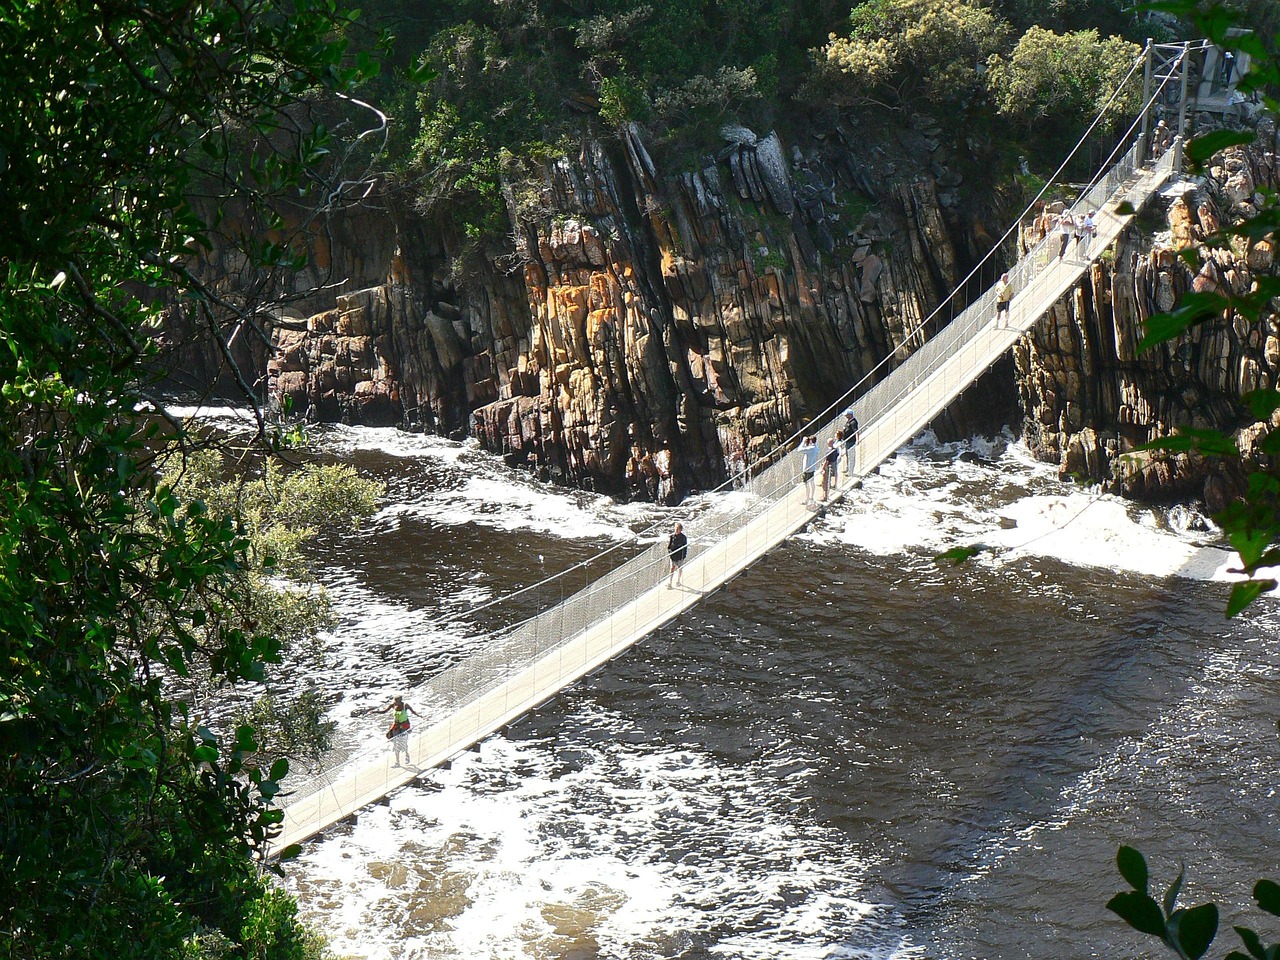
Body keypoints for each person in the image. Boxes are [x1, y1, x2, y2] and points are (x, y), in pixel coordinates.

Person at [376, 695, 420, 767]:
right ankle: (397, 762)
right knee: (395, 744)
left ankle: (406, 755)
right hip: (396, 726)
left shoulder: (405, 705)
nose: (395, 702)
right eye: (394, 701)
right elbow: (384, 711)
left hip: (404, 726)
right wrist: (374, 712)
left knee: (403, 742)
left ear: (400, 701)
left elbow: (413, 712)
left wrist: (420, 716)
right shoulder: (393, 705)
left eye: (396, 701)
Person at [666, 522, 688, 588]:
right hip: (673, 556)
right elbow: (669, 546)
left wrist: (684, 556)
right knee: (672, 568)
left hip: (680, 556)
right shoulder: (672, 536)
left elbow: (685, 547)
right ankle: (670, 582)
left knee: (679, 568)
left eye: (677, 529)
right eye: (675, 528)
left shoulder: (683, 538)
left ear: (680, 530)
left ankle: (678, 581)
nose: (676, 530)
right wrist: (669, 552)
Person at [800, 434, 820, 505]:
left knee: (806, 483)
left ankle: (807, 499)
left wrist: (803, 442)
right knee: (812, 482)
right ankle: (811, 497)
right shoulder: (816, 447)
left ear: (811, 441)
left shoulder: (810, 449)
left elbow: (799, 450)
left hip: (807, 469)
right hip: (812, 468)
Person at [842, 408, 859, 474]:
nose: (845, 416)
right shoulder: (848, 421)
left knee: (851, 456)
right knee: (847, 455)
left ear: (850, 415)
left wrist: (857, 440)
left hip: (851, 441)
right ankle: (847, 468)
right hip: (847, 441)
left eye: (846, 415)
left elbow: (856, 431)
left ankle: (851, 471)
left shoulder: (853, 422)